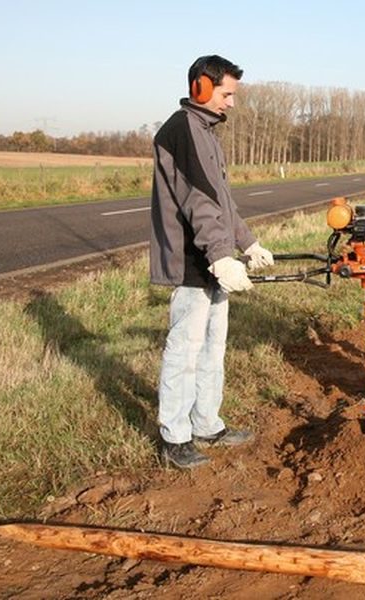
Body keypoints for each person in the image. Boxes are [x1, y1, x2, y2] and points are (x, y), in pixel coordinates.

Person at [150, 55, 275, 469]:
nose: (232, 103)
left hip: (212, 257)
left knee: (212, 347)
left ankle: (206, 422)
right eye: (227, 93)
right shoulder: (183, 131)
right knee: (184, 349)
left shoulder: (205, 132)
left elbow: (223, 204)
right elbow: (197, 202)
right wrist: (222, 257)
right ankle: (174, 436)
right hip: (192, 258)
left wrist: (249, 243)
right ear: (201, 87)